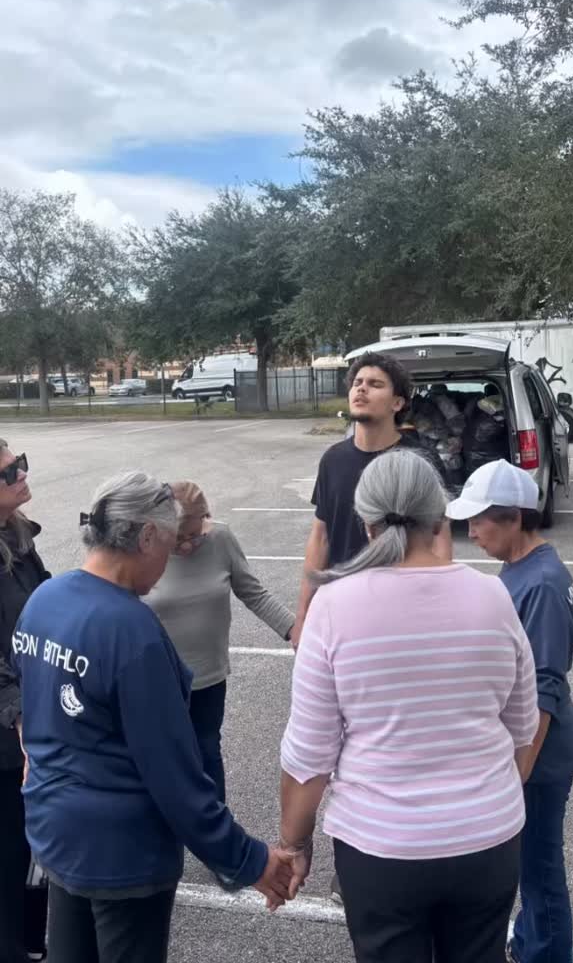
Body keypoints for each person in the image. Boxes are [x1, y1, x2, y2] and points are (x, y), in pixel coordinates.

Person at [11, 472, 292, 963]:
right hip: (124, 855)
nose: (167, 564)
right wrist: (249, 860)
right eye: (168, 542)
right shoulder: (133, 631)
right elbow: (174, 775)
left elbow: (35, 717)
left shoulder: (45, 601)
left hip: (56, 833)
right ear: (145, 537)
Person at [280, 448, 540, 963]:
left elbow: (308, 756)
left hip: (381, 847)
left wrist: (293, 843)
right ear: (440, 518)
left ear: (366, 523)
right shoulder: (494, 597)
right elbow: (522, 727)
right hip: (487, 841)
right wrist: (481, 801)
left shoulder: (333, 607)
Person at [447, 459, 573, 963]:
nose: (471, 531)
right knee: (531, 866)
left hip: (539, 756)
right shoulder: (523, 567)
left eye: (479, 520)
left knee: (540, 871)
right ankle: (528, 944)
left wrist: (518, 771)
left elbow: (544, 688)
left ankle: (545, 953)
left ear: (514, 518)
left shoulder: (541, 583)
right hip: (530, 747)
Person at [144, 480, 295, 805]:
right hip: (158, 679)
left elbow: (253, 593)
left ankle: (214, 826)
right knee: (163, 756)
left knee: (207, 750)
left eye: (195, 535)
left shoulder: (221, 538)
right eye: (179, 539)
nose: (188, 546)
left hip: (208, 675)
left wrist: (295, 630)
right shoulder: (145, 548)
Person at [290, 351, 450, 647]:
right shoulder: (332, 460)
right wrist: (303, 616)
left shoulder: (420, 461)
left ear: (397, 403)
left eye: (375, 384)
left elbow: (440, 537)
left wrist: (438, 604)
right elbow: (320, 538)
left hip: (402, 610)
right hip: (343, 606)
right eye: (357, 383)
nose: (361, 389)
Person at [0, 441, 49, 963]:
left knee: (35, 845)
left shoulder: (17, 536)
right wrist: (19, 715)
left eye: (20, 463)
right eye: (8, 471)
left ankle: (32, 942)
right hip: (9, 734)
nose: (20, 474)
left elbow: (47, 601)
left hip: (30, 722)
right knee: (10, 850)